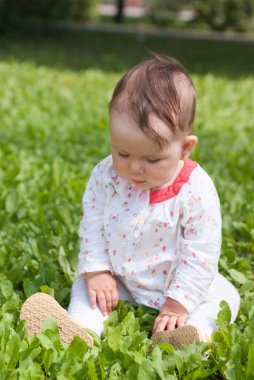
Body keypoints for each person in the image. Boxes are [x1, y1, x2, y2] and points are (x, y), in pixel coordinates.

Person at [20, 54, 240, 350]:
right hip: (120, 279)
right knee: (85, 288)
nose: (134, 168)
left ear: (185, 148)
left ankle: (191, 336)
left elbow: (201, 251)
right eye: (122, 153)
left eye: (152, 159)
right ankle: (79, 330)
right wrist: (98, 272)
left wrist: (179, 302)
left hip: (177, 282)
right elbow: (93, 224)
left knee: (225, 297)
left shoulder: (195, 188)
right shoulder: (106, 175)